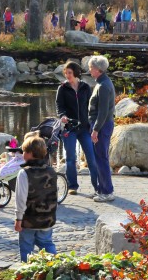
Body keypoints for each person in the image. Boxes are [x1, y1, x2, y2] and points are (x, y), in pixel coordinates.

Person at [56, 61, 99, 195]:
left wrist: (93, 123)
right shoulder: (62, 88)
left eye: (70, 72)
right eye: (66, 73)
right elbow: (59, 107)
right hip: (69, 128)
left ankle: (97, 186)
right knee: (70, 158)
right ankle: (73, 186)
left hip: (84, 128)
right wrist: (62, 116)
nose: (67, 75)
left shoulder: (85, 87)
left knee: (91, 157)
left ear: (75, 72)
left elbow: (91, 106)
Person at [14, 136, 58, 262]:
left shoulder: (24, 173)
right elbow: (54, 196)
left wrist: (18, 219)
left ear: (30, 154)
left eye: (24, 152)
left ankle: (27, 270)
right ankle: (55, 267)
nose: (22, 154)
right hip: (47, 218)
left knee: (27, 247)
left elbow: (20, 199)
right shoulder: (51, 171)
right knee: (47, 243)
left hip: (29, 219)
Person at [88, 56, 116, 203]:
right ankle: (101, 189)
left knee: (101, 158)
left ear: (98, 69)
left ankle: (108, 191)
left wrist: (96, 129)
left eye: (91, 67)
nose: (89, 69)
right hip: (100, 124)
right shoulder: (102, 82)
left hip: (102, 125)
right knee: (99, 158)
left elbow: (103, 112)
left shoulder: (104, 86)